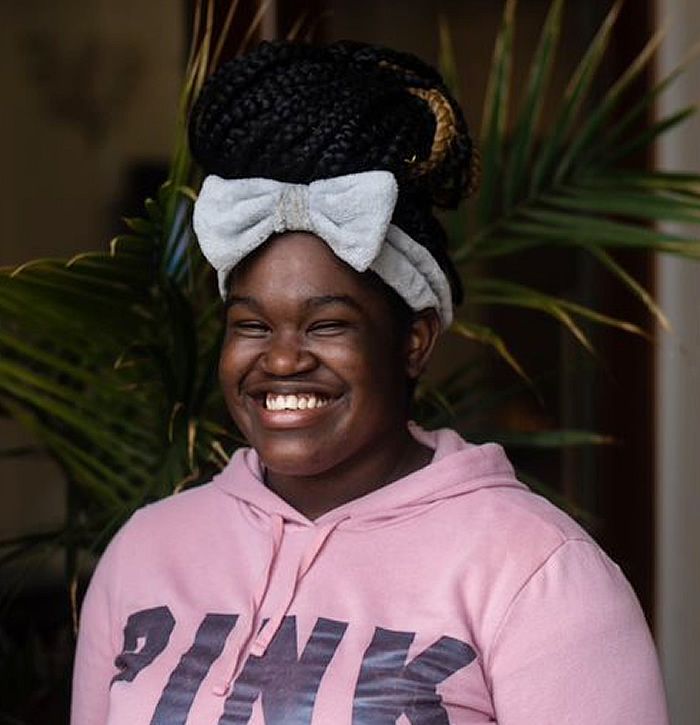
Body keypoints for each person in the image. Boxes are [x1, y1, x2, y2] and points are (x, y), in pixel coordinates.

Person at [71, 41, 669, 724]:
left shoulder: (536, 570)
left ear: (414, 341)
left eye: (327, 324)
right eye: (252, 324)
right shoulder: (146, 551)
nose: (283, 359)